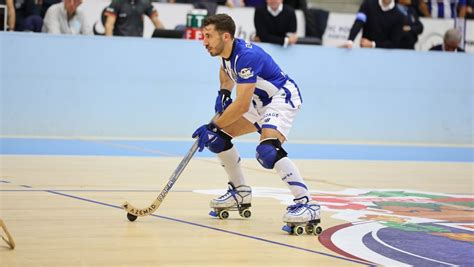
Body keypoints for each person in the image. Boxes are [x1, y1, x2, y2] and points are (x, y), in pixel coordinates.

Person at [192, 14, 320, 234]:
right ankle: (240, 191)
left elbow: (241, 105)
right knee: (218, 140)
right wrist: (224, 91)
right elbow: (226, 70)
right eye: (204, 36)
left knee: (268, 150)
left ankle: (307, 204)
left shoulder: (247, 56)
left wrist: (213, 125)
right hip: (259, 101)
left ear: (226, 36)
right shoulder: (225, 51)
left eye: (208, 36)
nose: (204, 41)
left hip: (281, 97)